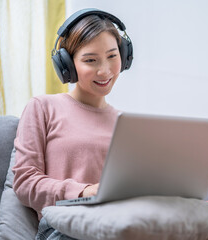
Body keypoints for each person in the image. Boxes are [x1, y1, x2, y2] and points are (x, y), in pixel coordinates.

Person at [12, 8, 133, 239]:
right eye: (90, 60)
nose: (105, 70)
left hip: (120, 224)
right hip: (66, 226)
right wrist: (84, 191)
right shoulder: (43, 107)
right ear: (67, 65)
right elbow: (25, 182)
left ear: (124, 55)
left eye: (112, 56)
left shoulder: (126, 123)